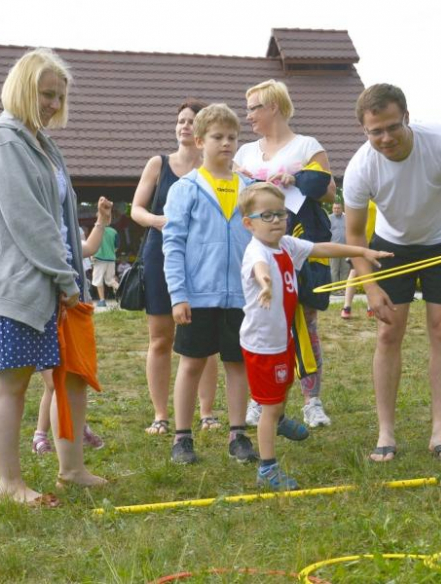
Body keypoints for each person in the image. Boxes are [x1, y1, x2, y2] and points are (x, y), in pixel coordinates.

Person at [0, 48, 105, 506]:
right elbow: (30, 221)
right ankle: (9, 486)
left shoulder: (41, 143)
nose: (53, 104)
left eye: (59, 97)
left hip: (58, 282)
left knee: (71, 377)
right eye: (46, 94)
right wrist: (66, 280)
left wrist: (69, 279)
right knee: (13, 382)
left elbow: (59, 220)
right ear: (23, 89)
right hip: (20, 286)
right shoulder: (3, 142)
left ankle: (72, 470)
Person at [343, 84, 441, 462]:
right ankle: (385, 433)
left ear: (406, 117)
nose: (386, 138)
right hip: (391, 246)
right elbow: (354, 236)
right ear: (364, 130)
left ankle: (440, 431)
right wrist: (370, 288)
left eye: (393, 126)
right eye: (376, 131)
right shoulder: (360, 168)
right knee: (388, 333)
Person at [238, 183, 392, 489]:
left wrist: (361, 251)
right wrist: (265, 284)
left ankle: (279, 418)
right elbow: (260, 269)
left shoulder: (285, 244)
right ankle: (267, 468)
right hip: (262, 346)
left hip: (282, 338)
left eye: (281, 213)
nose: (276, 220)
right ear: (249, 223)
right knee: (269, 405)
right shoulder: (257, 250)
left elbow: (322, 249)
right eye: (267, 215)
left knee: (283, 386)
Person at [163, 103, 263, 464]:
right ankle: (182, 437)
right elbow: (173, 243)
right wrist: (179, 295)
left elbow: (262, 241)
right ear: (200, 141)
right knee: (192, 363)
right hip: (198, 296)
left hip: (241, 296)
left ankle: (238, 435)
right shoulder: (185, 188)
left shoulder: (250, 189)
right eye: (218, 137)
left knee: (238, 364)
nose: (226, 143)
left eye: (232, 137)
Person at [235, 79, 336, 429]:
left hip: (300, 240)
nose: (248, 116)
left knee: (306, 320)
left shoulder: (307, 146)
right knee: (261, 322)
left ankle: (312, 400)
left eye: (254, 108)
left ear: (273, 107)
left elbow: (330, 193)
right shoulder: (244, 153)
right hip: (259, 248)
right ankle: (260, 399)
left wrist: (296, 177)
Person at [131, 99, 221, 436]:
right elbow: (136, 209)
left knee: (204, 337)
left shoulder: (214, 169)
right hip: (161, 254)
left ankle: (207, 412)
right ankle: (160, 414)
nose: (184, 125)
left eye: (191, 121)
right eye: (181, 120)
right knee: (160, 339)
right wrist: (159, 221)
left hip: (203, 258)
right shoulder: (158, 164)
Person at [31, 197, 113, 455]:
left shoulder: (67, 227)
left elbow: (87, 248)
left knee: (72, 376)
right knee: (55, 381)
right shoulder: (37, 227)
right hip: (45, 304)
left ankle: (77, 427)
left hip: (71, 309)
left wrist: (101, 221)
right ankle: (42, 435)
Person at [91, 224, 119, 307]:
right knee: (110, 280)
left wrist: (92, 255)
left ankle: (102, 300)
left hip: (99, 259)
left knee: (98, 280)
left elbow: (92, 244)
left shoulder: (96, 230)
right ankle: (125, 294)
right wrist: (110, 252)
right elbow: (117, 246)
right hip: (111, 259)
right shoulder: (114, 231)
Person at [329, 202, 351, 285]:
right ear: (332, 209)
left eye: (338, 208)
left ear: (342, 209)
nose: (336, 210)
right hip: (333, 248)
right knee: (334, 269)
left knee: (345, 269)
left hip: (346, 248)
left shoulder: (347, 218)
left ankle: (343, 288)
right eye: (335, 208)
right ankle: (335, 289)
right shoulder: (329, 219)